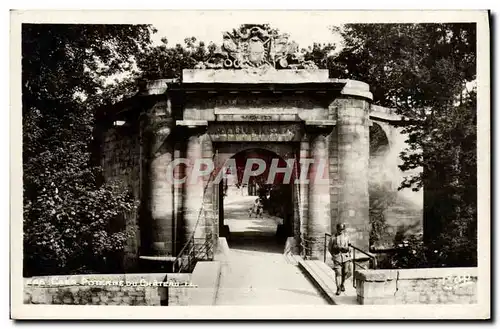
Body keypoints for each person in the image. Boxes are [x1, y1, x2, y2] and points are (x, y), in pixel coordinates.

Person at [328, 223, 352, 295]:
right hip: (337, 257)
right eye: (339, 229)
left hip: (346, 257)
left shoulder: (346, 237)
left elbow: (350, 246)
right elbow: (329, 248)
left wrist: (348, 250)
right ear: (337, 229)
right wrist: (334, 255)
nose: (340, 231)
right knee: (338, 273)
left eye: (342, 229)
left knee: (346, 272)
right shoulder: (333, 238)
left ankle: (342, 284)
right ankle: (338, 288)